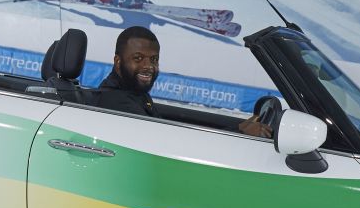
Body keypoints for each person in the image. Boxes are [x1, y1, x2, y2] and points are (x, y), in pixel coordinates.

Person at [90, 27, 269, 137]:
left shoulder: (134, 94)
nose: (148, 66)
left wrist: (238, 127)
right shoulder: (117, 103)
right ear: (118, 61)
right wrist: (240, 133)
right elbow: (168, 141)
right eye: (138, 58)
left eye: (153, 59)